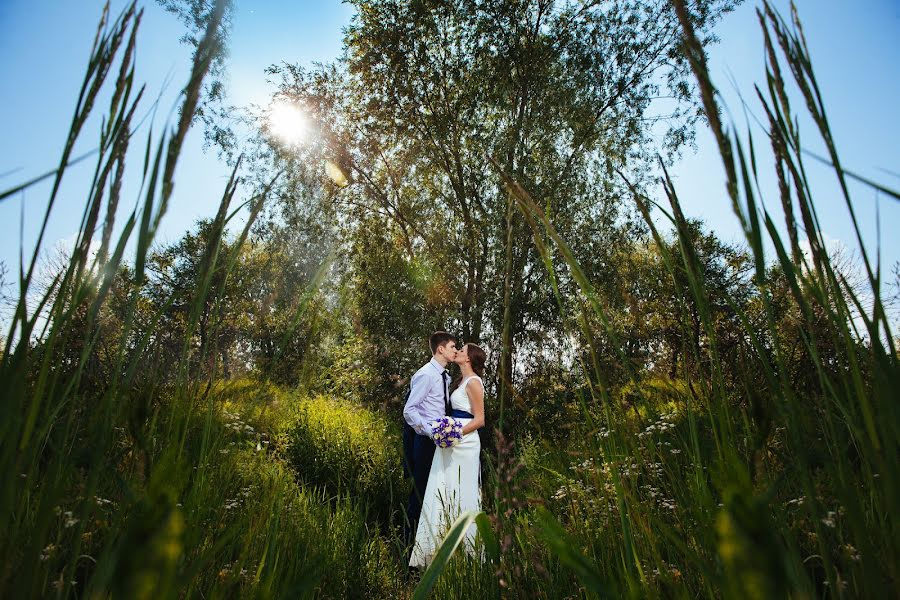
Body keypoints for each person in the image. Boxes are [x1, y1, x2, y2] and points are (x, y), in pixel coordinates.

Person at [409, 343, 486, 569]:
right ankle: (439, 551)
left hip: (465, 443)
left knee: (463, 491)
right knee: (444, 489)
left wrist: (455, 433)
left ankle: (468, 554)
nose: (458, 352)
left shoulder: (473, 382)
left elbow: (480, 419)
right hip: (451, 443)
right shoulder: (459, 382)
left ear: (469, 358)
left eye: (462, 350)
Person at [402, 331, 458, 558]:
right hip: (425, 443)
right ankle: (407, 551)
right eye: (453, 346)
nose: (455, 350)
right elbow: (409, 410)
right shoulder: (426, 375)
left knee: (432, 496)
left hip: (436, 443)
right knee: (419, 496)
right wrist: (432, 431)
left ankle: (426, 551)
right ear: (441, 349)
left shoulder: (443, 376)